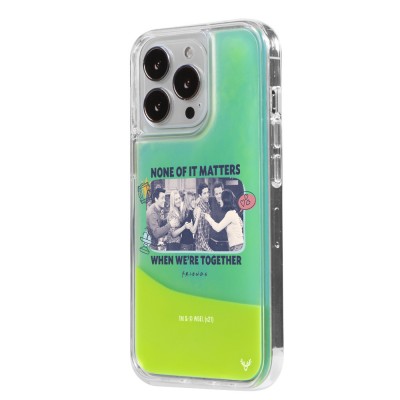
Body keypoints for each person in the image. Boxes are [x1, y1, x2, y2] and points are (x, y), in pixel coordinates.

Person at [208, 182, 229, 251]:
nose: (219, 196)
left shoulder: (229, 204)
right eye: (216, 194)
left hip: (225, 244)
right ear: (214, 194)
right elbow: (201, 199)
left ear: (223, 191)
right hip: (212, 243)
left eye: (220, 193)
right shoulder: (211, 201)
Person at [194, 183, 212, 251]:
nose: (207, 195)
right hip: (201, 249)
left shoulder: (207, 205)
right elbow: (200, 237)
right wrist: (210, 251)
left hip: (207, 244)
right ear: (200, 195)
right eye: (204, 193)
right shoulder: (199, 211)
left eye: (207, 192)